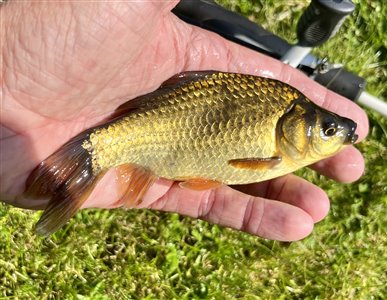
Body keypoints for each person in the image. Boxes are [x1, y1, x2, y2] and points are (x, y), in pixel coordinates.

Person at [1, 2, 368, 241]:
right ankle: (91, 158)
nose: (334, 137)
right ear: (293, 124)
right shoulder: (276, 152)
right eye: (328, 130)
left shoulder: (281, 136)